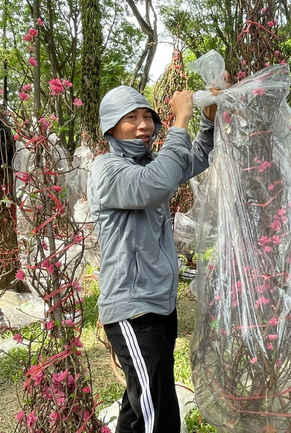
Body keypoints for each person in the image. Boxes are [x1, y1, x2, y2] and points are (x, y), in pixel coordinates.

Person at [88, 85, 219, 433]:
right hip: (132, 308)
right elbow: (156, 185)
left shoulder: (148, 163)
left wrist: (207, 120)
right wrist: (182, 120)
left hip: (159, 302)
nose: (143, 124)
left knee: (141, 403)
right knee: (158, 413)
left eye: (148, 117)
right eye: (131, 118)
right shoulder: (107, 169)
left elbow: (195, 158)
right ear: (111, 127)